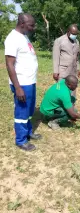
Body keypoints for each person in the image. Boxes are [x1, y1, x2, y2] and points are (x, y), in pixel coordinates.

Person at [4, 13, 41, 151]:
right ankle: (21, 140)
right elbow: (9, 65)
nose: (33, 28)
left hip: (30, 81)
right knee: (22, 112)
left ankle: (28, 132)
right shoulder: (12, 39)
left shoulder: (24, 36)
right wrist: (18, 87)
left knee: (30, 110)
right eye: (31, 25)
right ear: (22, 24)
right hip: (22, 83)